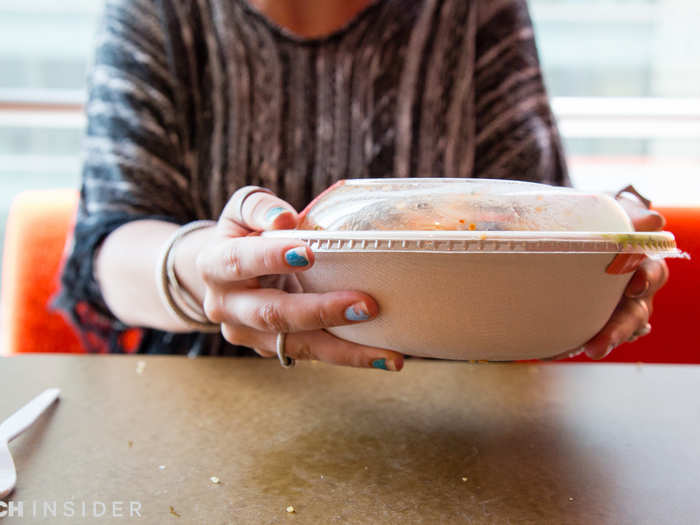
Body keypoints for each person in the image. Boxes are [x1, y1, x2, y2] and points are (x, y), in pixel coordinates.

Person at [57, 0, 668, 368]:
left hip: (456, 413)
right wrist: (207, 271)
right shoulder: (159, 11)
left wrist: (609, 240)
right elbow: (111, 246)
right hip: (202, 398)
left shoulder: (473, 11)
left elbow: (532, 208)